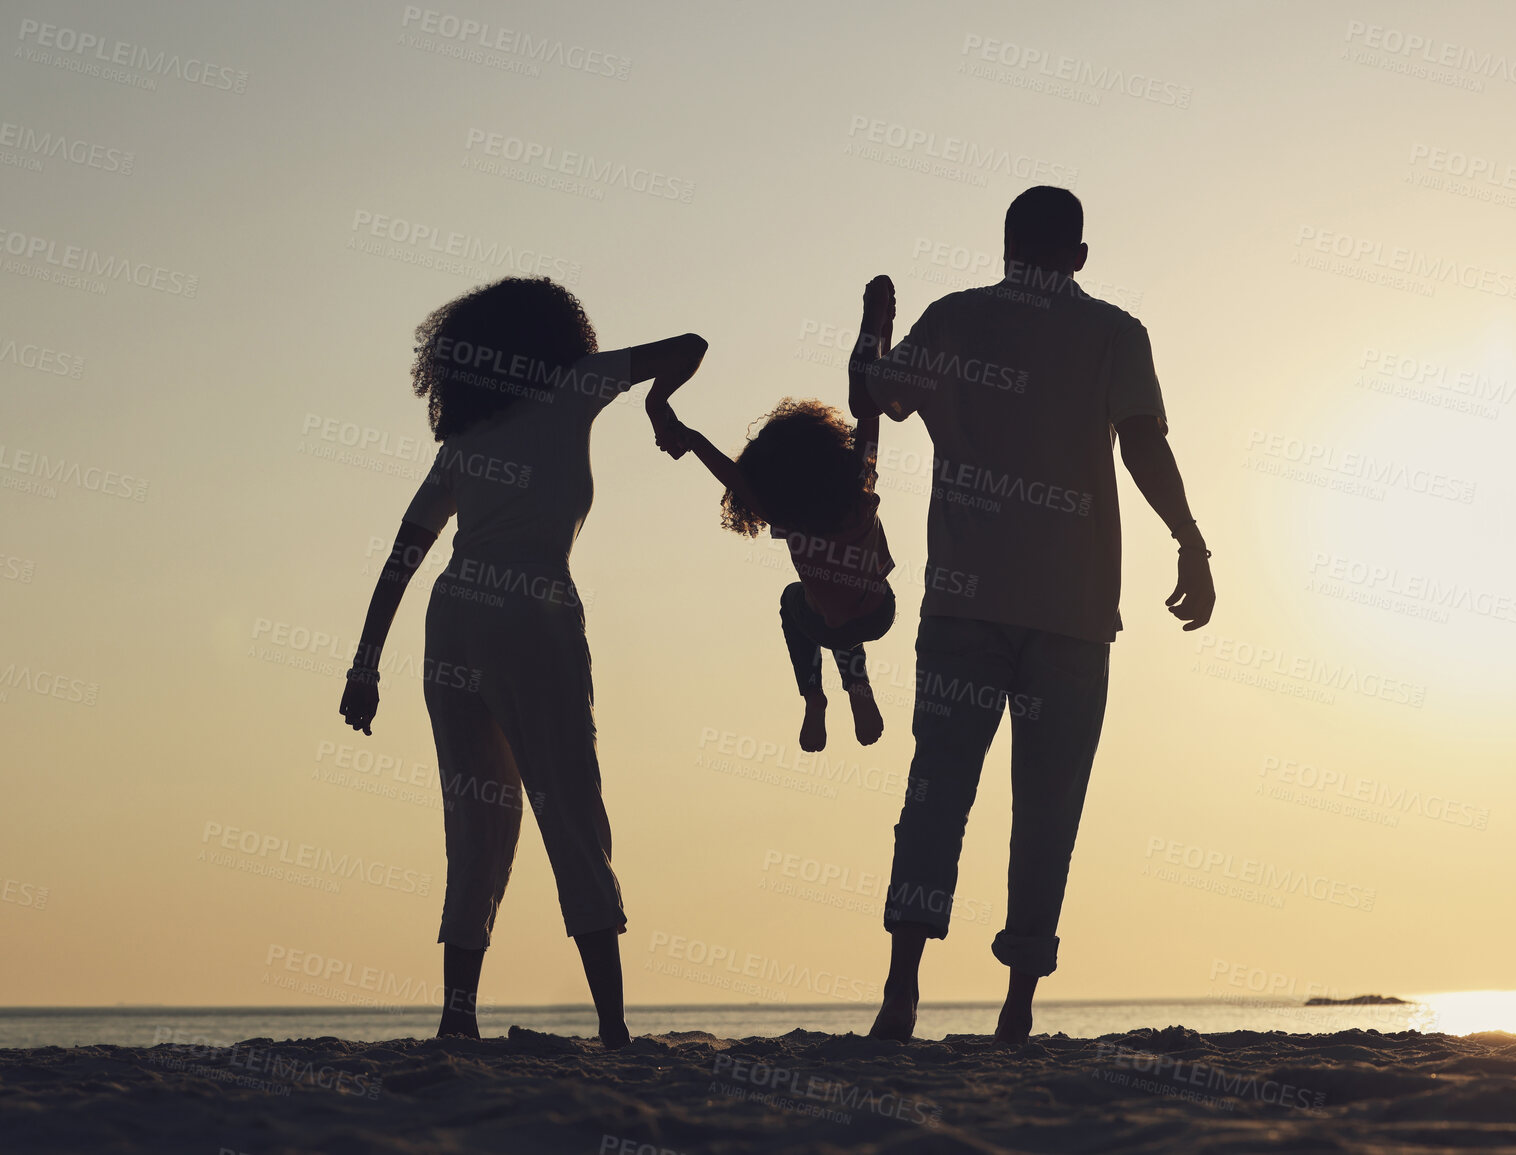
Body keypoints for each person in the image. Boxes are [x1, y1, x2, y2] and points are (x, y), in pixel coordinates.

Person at [849, 187, 1215, 1044]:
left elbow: (872, 395)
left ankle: (900, 990)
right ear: (1078, 255)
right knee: (1048, 807)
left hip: (964, 604)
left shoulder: (952, 320)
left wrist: (872, 323)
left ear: (1006, 246)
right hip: (1072, 612)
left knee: (935, 792)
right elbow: (1141, 442)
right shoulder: (1114, 333)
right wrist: (1189, 539)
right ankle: (1016, 1006)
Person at [337, 275, 707, 1048]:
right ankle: (611, 1025)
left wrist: (364, 665)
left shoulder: (466, 442)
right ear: (556, 336)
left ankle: (456, 1018)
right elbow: (690, 346)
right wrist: (655, 403)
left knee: (476, 822)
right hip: (534, 611)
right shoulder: (577, 384)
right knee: (570, 804)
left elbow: (405, 554)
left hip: (454, 619)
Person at [648, 294, 897, 752]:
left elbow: (727, 470)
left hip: (829, 622)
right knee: (838, 607)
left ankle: (814, 697)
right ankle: (856, 686)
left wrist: (685, 434)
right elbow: (867, 403)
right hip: (879, 613)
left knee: (798, 602)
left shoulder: (782, 512)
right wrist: (876, 328)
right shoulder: (859, 485)